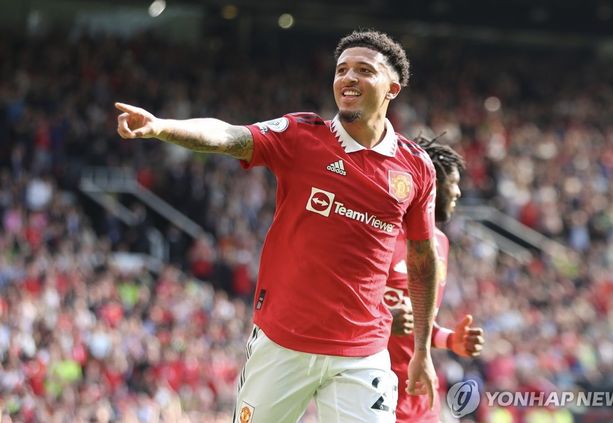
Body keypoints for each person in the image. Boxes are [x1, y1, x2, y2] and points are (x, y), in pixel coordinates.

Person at [116, 30, 440, 423]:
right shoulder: (301, 135)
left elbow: (422, 260)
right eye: (341, 70)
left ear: (392, 88)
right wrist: (162, 127)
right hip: (283, 343)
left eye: (364, 70)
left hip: (362, 353)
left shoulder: (415, 166)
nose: (348, 77)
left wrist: (422, 349)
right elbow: (229, 136)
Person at [385, 136, 485, 422]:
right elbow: (341, 308)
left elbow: (416, 325)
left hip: (421, 398)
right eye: (453, 183)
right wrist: (384, 320)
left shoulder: (439, 243)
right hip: (372, 393)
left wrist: (450, 340)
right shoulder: (381, 236)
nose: (458, 192)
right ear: (430, 183)